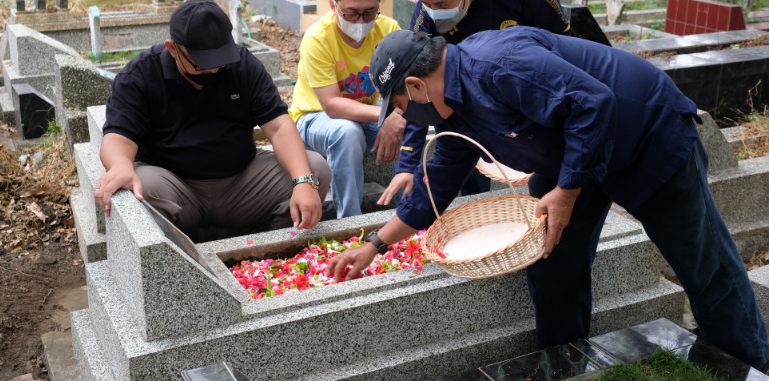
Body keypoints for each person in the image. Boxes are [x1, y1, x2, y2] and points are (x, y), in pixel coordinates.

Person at [328, 28, 769, 370]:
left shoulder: (498, 65)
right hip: (573, 158)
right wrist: (374, 246)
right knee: (552, 263)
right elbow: (435, 186)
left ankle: (744, 361)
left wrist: (567, 189)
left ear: (417, 85)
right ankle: (566, 362)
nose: (406, 117)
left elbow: (595, 103)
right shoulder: (455, 108)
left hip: (648, 136)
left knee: (700, 261)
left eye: (402, 105)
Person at [95, 0, 331, 238]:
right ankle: (183, 252)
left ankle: (264, 243)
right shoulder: (142, 74)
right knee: (136, 190)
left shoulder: (243, 64)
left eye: (220, 60)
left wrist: (303, 181)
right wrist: (121, 165)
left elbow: (279, 126)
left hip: (242, 183)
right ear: (173, 48)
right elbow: (118, 135)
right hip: (175, 187)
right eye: (201, 63)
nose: (213, 70)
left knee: (314, 169)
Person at [381, 0, 571, 205]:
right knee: (458, 135)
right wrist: (407, 164)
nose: (435, 13)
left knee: (546, 174)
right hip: (466, 92)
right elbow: (418, 93)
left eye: (441, 3)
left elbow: (561, 41)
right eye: (426, 4)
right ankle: (474, 200)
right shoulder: (426, 16)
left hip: (533, 86)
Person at [288, 0, 405, 218]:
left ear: (379, 4)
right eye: (351, 14)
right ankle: (350, 220)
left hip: (367, 112)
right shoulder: (318, 38)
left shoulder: (389, 29)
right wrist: (385, 115)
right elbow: (332, 105)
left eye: (369, 12)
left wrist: (394, 116)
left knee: (408, 129)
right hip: (314, 118)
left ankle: (410, 210)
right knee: (347, 132)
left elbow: (402, 88)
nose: (361, 22)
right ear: (333, 5)